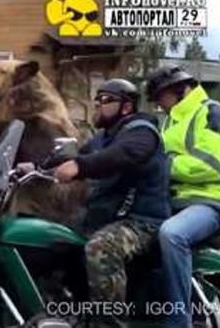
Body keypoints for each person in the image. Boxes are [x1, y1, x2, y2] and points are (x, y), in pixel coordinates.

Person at [47, 79, 171, 328]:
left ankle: (108, 323)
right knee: (53, 238)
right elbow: (76, 156)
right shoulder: (104, 138)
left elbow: (125, 154)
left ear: (126, 107)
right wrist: (35, 166)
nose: (97, 105)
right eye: (97, 100)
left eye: (105, 100)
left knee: (101, 248)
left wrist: (80, 167)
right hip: (110, 217)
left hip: (142, 221)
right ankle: (67, 311)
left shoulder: (142, 131)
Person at [145, 66, 220, 328]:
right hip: (176, 202)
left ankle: (178, 321)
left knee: (172, 234)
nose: (157, 103)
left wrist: (163, 166)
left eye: (159, 96)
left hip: (212, 202)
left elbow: (212, 164)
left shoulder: (212, 112)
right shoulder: (171, 121)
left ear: (179, 89)